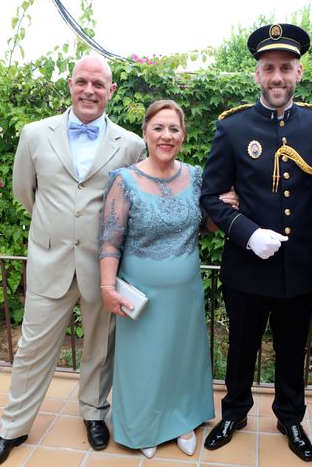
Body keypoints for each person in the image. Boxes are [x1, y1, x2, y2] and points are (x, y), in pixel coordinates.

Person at [0, 55, 146, 467]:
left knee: (100, 348)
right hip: (50, 261)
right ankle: (13, 428)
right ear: (70, 86)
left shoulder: (131, 145)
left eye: (98, 84)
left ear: (111, 91)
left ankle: (93, 412)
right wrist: (56, 233)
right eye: (82, 82)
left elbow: (131, 205)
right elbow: (25, 192)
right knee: (33, 348)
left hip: (103, 268)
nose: (89, 90)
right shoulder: (35, 135)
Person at [200, 23, 312, 462]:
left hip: (298, 265)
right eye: (269, 68)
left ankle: (290, 418)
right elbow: (211, 196)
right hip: (246, 263)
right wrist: (247, 231)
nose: (277, 76)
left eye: (286, 67)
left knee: (292, 347)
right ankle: (234, 412)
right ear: (257, 75)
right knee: (240, 345)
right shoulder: (233, 128)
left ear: (299, 73)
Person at [98, 99, 238, 459]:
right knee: (144, 362)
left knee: (182, 358)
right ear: (145, 132)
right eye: (158, 127)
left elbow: (205, 228)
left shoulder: (195, 176)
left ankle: (183, 421)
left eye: (174, 129)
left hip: (185, 291)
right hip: (140, 295)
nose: (166, 135)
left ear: (183, 135)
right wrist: (107, 288)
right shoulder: (124, 180)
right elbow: (110, 239)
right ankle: (144, 425)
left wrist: (225, 207)